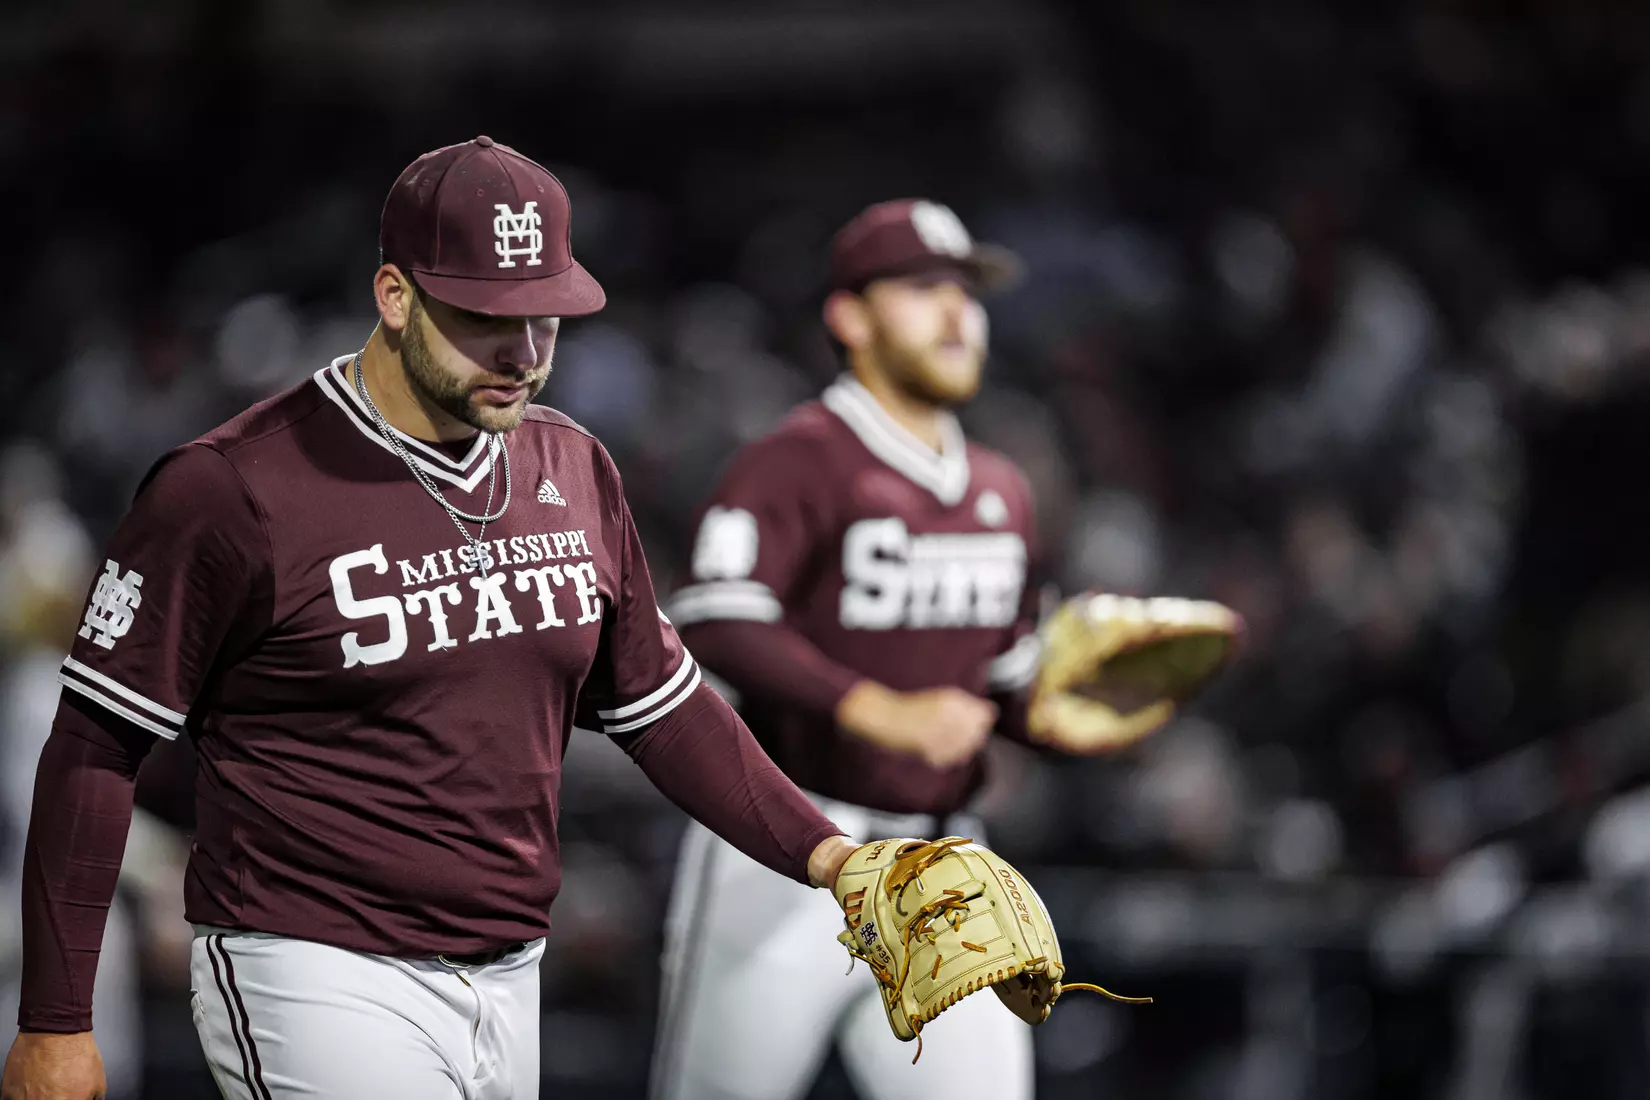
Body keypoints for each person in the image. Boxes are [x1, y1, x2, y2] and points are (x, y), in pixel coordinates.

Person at [0, 135, 857, 1100]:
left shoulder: (572, 466)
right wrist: (55, 1022)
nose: (524, 352)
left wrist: (831, 857)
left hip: (511, 971)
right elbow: (92, 747)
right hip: (313, 966)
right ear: (396, 296)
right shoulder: (231, 487)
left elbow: (662, 706)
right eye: (488, 315)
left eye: (547, 316)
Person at [652, 199, 1118, 1100]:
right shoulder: (797, 459)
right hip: (789, 853)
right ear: (849, 317)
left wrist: (1080, 701)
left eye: (967, 292)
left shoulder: (1002, 485)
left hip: (946, 866)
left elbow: (1004, 681)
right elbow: (715, 615)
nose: (956, 313)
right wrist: (882, 709)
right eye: (921, 288)